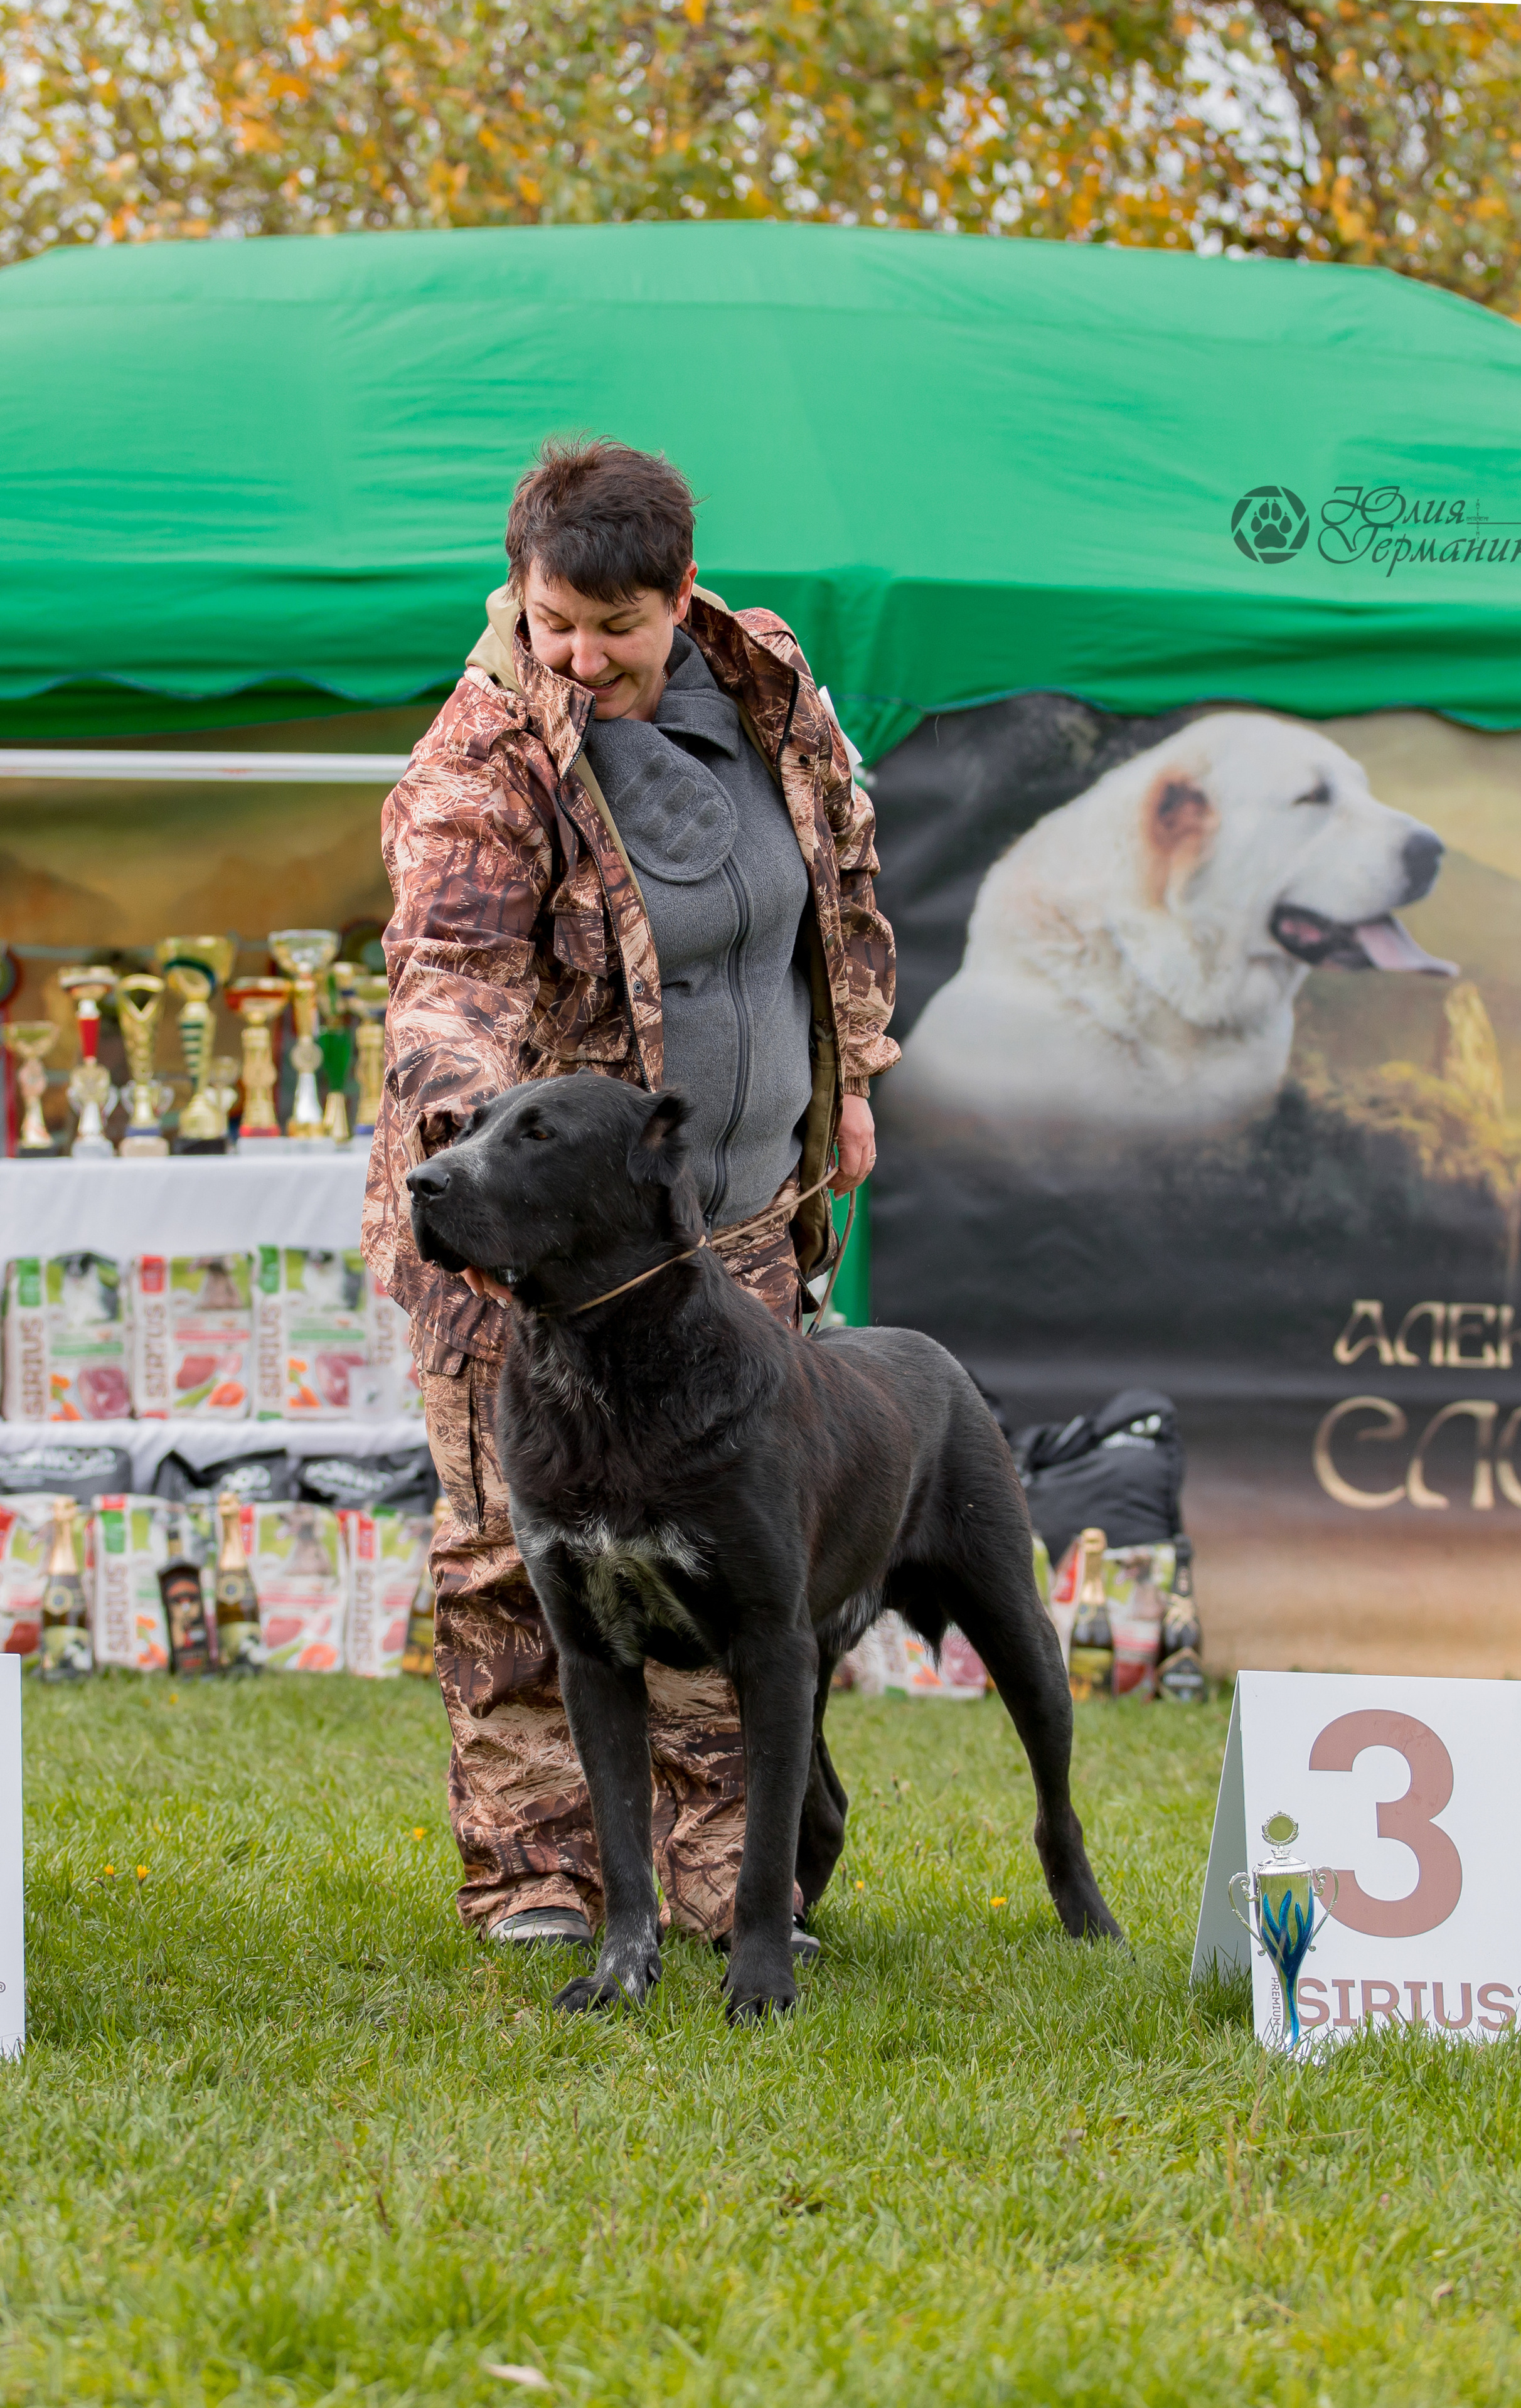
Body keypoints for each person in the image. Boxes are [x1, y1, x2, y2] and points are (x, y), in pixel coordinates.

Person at [363, 438, 899, 1959]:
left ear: (681, 593)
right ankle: (538, 1875)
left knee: (743, 1558)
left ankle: (741, 1885)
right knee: (513, 1558)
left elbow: (841, 872)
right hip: (528, 1226)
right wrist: (471, 1157)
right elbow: (444, 974)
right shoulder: (484, 752)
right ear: (519, 593)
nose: (584, 659)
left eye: (619, 627)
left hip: (724, 1219)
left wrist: (850, 1070)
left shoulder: (768, 680)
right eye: (555, 624)